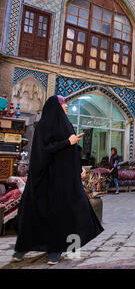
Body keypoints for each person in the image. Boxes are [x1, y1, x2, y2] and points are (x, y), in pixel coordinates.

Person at [12, 95, 103, 265]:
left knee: (67, 213)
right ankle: (22, 248)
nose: (67, 106)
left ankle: (59, 249)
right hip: (45, 179)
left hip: (64, 179)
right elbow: (44, 151)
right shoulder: (44, 126)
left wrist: (78, 168)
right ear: (55, 106)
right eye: (63, 103)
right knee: (38, 212)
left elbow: (72, 152)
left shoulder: (66, 124)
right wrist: (67, 142)